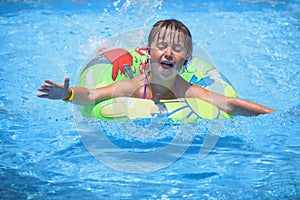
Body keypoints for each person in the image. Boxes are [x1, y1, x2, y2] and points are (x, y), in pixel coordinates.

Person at [37, 19, 275, 116]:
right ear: (149, 54)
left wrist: (273, 115)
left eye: (177, 49)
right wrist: (65, 94)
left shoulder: (186, 90)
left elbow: (230, 103)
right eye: (162, 46)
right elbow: (91, 95)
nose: (169, 53)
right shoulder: (133, 86)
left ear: (186, 60)